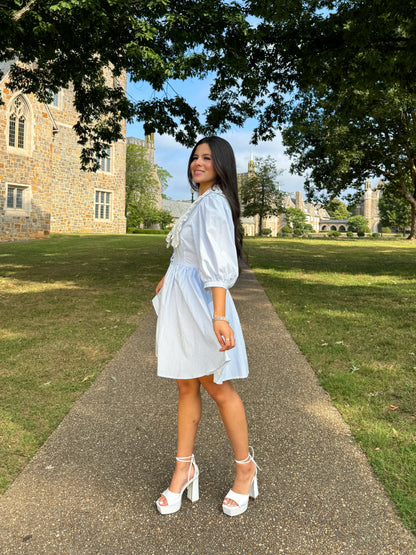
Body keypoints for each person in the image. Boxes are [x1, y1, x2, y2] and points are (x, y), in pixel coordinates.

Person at [152, 136, 258, 517]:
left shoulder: (214, 204)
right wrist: (168, 277)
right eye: (195, 157)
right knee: (185, 384)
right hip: (182, 301)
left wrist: (218, 315)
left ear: (222, 165)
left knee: (217, 387)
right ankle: (184, 467)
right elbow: (187, 253)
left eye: (207, 158)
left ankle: (245, 468)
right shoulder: (199, 203)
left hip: (202, 305)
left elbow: (217, 264)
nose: (198, 163)